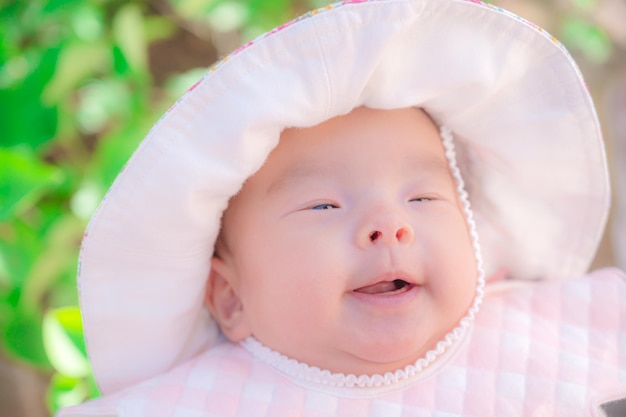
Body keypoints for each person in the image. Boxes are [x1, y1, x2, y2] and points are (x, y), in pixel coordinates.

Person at [57, 0, 626, 416]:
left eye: (422, 198)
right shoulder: (194, 404)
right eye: (324, 206)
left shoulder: (559, 329)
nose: (390, 225)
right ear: (230, 297)